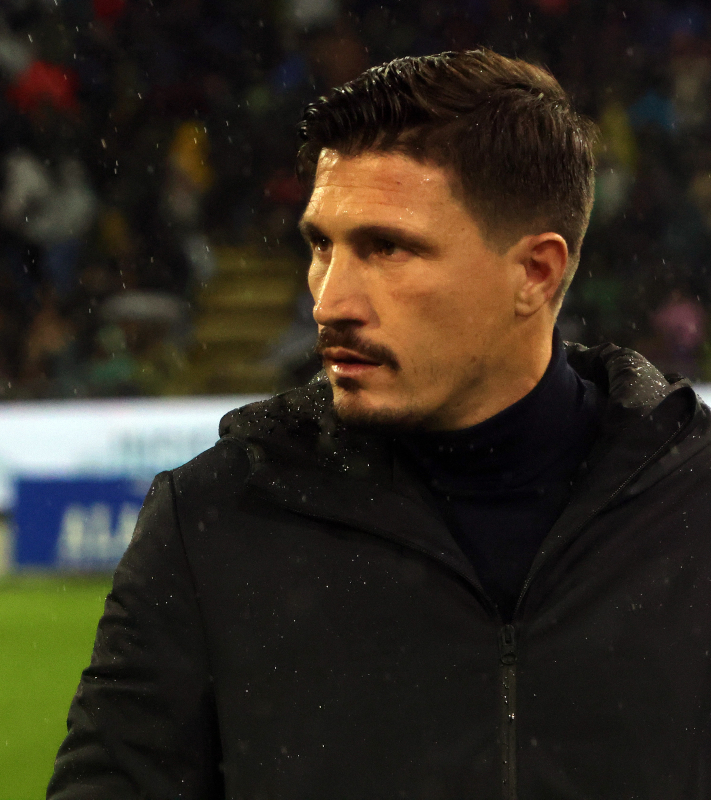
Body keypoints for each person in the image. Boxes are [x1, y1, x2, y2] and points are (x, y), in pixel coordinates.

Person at [47, 49, 711, 798]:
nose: (329, 302)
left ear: (537, 272)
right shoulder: (212, 523)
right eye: (321, 245)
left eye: (386, 248)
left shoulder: (692, 508)